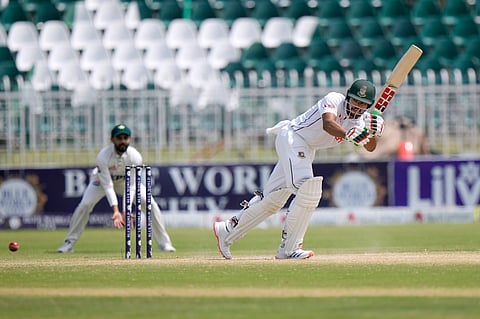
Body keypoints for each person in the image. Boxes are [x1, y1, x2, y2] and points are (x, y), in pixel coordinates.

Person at [213, 79, 384, 259]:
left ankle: (227, 230)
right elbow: (328, 124)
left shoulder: (359, 123)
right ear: (348, 97)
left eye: (362, 104)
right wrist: (348, 134)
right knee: (308, 190)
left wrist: (373, 133)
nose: (357, 107)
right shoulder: (334, 99)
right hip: (293, 137)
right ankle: (289, 248)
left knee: (272, 199)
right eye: (355, 100)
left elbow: (370, 147)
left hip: (306, 148)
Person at [57, 124, 176, 253]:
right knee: (84, 205)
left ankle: (164, 243)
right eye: (119, 138)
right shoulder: (103, 156)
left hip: (127, 184)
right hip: (101, 183)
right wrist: (116, 211)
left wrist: (126, 211)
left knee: (151, 204)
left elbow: (131, 186)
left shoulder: (135, 157)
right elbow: (108, 186)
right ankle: (69, 243)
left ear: (130, 139)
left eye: (125, 137)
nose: (123, 141)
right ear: (112, 139)